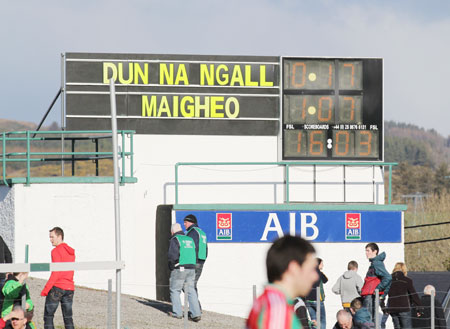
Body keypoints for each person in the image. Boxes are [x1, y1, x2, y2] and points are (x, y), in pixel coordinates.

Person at [246, 235, 318, 329]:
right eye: (311, 269)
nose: (315, 276)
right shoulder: (277, 310)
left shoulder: (266, 302)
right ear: (294, 268)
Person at [41, 227, 75, 329]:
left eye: (52, 237)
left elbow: (56, 272)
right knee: (68, 317)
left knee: (48, 316)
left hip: (57, 287)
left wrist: (45, 289)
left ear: (59, 236)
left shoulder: (55, 251)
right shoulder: (71, 252)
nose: (50, 239)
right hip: (69, 287)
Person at [167, 223, 201, 322]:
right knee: (190, 290)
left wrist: (172, 266)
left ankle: (177, 313)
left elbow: (172, 255)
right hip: (191, 268)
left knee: (175, 290)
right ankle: (196, 314)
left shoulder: (175, 239)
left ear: (172, 231)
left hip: (180, 268)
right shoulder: (189, 239)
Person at [361, 243, 391, 321]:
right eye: (366, 251)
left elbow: (388, 277)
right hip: (369, 296)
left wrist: (377, 289)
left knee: (368, 320)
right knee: (370, 320)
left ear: (375, 251)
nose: (366, 253)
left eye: (368, 251)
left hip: (370, 297)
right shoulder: (374, 263)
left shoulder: (377, 263)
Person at [386, 262, 421, 329]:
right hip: (404, 307)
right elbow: (413, 295)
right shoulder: (407, 280)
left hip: (392, 308)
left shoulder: (388, 281)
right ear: (404, 270)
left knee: (397, 327)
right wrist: (419, 308)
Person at [183, 215, 208, 297]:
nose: (184, 224)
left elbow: (191, 247)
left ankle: (196, 308)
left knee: (187, 285)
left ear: (191, 222)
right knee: (192, 285)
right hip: (200, 261)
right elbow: (206, 248)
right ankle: (196, 308)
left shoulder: (192, 232)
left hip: (194, 262)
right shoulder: (201, 232)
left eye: (185, 222)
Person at [305, 258, 328, 329]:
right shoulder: (318, 272)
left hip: (308, 300)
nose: (323, 265)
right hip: (317, 299)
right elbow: (325, 280)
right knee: (322, 320)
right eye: (322, 264)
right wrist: (319, 271)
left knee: (314, 321)